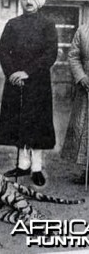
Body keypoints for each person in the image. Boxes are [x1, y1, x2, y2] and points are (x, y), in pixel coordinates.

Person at [0, 0, 58, 186]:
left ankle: (37, 167)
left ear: (38, 1)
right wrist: (13, 73)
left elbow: (50, 54)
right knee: (19, 121)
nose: (28, 2)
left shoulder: (48, 25)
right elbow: (3, 51)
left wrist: (27, 72)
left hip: (38, 82)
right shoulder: (12, 24)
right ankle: (22, 165)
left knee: (37, 123)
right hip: (16, 82)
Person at [61, 25, 89, 184]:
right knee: (84, 129)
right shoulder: (83, 30)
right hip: (86, 88)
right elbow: (73, 56)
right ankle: (88, 170)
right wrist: (82, 77)